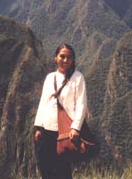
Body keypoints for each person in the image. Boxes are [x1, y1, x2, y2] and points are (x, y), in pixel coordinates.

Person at [34, 44, 88, 179]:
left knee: (63, 168)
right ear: (55, 58)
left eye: (69, 57)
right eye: (62, 56)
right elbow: (43, 102)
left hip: (65, 130)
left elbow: (82, 104)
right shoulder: (50, 77)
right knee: (46, 166)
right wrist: (38, 127)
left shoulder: (78, 77)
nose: (65, 60)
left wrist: (76, 128)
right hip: (47, 128)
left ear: (73, 60)